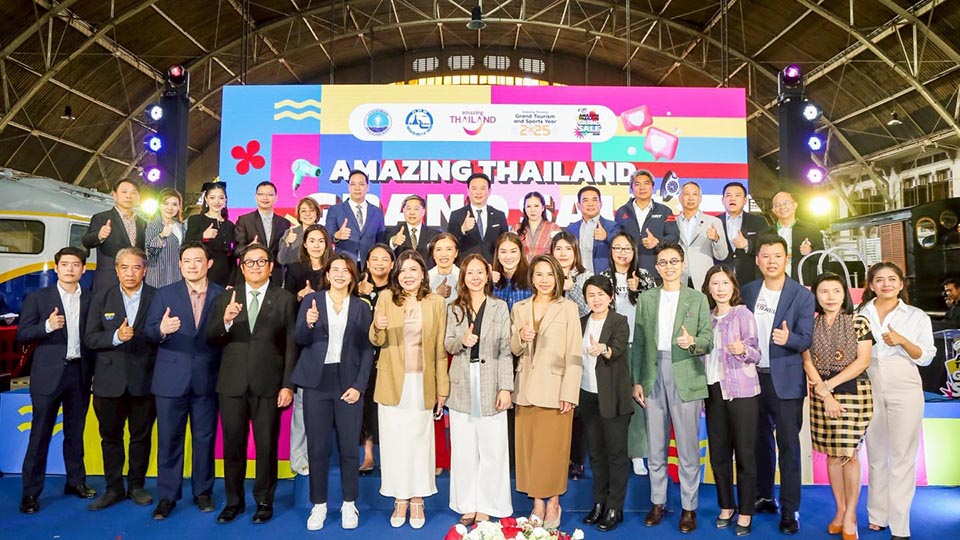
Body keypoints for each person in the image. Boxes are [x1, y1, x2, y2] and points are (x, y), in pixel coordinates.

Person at [206, 243, 298, 525]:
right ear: (242, 267)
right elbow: (211, 337)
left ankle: (264, 501)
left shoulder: (284, 298)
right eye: (250, 262)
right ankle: (233, 501)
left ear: (270, 267)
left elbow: (291, 345)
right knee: (233, 445)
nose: (255, 267)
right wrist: (226, 321)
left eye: (261, 262)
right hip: (232, 383)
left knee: (266, 446)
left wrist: (288, 385)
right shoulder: (226, 298)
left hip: (269, 384)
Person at [631, 242, 713, 533]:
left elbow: (708, 339)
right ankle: (658, 502)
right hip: (652, 375)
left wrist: (693, 342)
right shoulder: (647, 299)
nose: (669, 267)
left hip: (686, 374)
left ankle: (689, 507)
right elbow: (639, 342)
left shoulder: (697, 298)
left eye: (674, 261)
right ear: (657, 267)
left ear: (683, 264)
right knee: (656, 446)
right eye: (663, 262)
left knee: (688, 448)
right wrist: (637, 380)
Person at [292, 254, 374, 531]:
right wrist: (308, 322)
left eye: (345, 270)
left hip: (348, 382)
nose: (340, 274)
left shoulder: (361, 307)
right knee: (317, 447)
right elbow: (299, 338)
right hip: (316, 382)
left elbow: (367, 350)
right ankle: (319, 505)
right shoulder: (312, 301)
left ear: (352, 276)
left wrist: (359, 386)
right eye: (335, 269)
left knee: (349, 447)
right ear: (327, 274)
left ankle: (350, 504)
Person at [144, 241, 225, 520]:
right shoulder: (164, 294)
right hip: (170, 379)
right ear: (179, 265)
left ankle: (203, 492)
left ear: (208, 264)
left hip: (208, 378)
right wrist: (161, 329)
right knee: (169, 440)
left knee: (204, 439)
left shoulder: (222, 295)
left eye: (198, 260)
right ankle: (167, 496)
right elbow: (148, 331)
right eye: (187, 261)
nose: (192, 265)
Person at [740, 234, 815, 535]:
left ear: (787, 259)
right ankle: (764, 495)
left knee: (788, 445)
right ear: (758, 260)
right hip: (752, 377)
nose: (771, 261)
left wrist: (789, 339)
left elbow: (806, 338)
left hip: (785, 381)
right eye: (766, 256)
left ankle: (790, 508)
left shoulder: (802, 295)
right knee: (759, 441)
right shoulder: (748, 290)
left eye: (777, 256)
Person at [369, 250, 449, 529]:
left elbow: (440, 349)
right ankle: (399, 498)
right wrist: (377, 327)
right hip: (392, 382)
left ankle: (417, 498)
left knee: (419, 442)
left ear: (423, 273)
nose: (407, 275)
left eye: (413, 269)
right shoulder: (386, 298)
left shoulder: (436, 302)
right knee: (394, 443)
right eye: (402, 270)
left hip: (422, 382)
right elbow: (376, 340)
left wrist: (442, 389)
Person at [858, 262, 935, 540]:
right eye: (879, 280)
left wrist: (902, 340)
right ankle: (877, 515)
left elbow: (926, 357)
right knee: (876, 455)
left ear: (901, 284)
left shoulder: (916, 316)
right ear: (871, 285)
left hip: (905, 386)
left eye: (892, 279)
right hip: (870, 385)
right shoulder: (860, 314)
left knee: (903, 456)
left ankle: (900, 525)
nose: (886, 284)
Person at [17, 247, 97, 514]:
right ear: (56, 268)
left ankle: (75, 482)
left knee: (75, 434)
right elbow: (22, 334)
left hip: (80, 374)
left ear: (83, 269)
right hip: (47, 376)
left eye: (75, 265)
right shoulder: (38, 298)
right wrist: (47, 326)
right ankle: (30, 493)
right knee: (39, 435)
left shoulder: (92, 299)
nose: (70, 269)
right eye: (65, 264)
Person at [510, 254, 583, 530]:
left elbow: (574, 353)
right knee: (529, 450)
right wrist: (520, 338)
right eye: (539, 274)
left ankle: (553, 502)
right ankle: (537, 503)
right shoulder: (519, 308)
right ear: (532, 278)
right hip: (525, 388)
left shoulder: (568, 308)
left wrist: (570, 393)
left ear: (558, 278)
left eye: (550, 274)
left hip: (556, 390)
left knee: (553, 451)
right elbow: (512, 348)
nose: (544, 280)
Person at [83, 247, 158, 511]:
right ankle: (113, 488)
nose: (130, 273)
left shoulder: (157, 297)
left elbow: (160, 336)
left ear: (144, 270)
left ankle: (136, 486)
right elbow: (90, 338)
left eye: (136, 267)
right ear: (116, 271)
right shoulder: (101, 298)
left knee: (141, 437)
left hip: (144, 381)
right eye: (124, 267)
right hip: (108, 383)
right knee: (110, 438)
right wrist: (116, 337)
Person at [802, 272, 874, 540]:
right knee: (833, 455)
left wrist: (828, 387)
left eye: (836, 291)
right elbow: (807, 361)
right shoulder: (810, 325)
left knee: (848, 454)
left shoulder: (858, 322)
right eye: (824, 291)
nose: (830, 297)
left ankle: (851, 515)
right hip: (822, 395)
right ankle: (840, 511)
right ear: (816, 296)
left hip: (854, 392)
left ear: (845, 294)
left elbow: (863, 361)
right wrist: (825, 394)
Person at [444, 254, 514, 525]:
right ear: (463, 277)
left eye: (479, 272)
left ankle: (487, 504)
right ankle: (467, 504)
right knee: (463, 449)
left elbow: (506, 350)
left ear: (487, 276)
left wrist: (505, 388)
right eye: (469, 272)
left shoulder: (500, 307)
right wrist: (462, 340)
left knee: (493, 448)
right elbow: (448, 344)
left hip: (491, 382)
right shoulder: (454, 308)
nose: (475, 277)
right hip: (462, 382)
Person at [701, 265, 761, 536]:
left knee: (745, 454)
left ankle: (746, 511)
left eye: (725, 283)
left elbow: (757, 353)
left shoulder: (743, 314)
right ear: (708, 288)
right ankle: (726, 506)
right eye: (715, 283)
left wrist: (743, 349)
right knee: (719, 454)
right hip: (713, 393)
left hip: (742, 393)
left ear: (733, 287)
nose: (720, 288)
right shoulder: (706, 318)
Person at [597, 231, 655, 477]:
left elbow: (653, 308)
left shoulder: (644, 276)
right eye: (617, 248)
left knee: (637, 400)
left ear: (634, 252)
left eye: (627, 248)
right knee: (612, 402)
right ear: (610, 252)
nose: (622, 253)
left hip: (637, 344)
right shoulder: (603, 277)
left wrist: (639, 290)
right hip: (611, 346)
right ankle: (615, 451)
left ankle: (638, 453)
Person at [577, 275, 632, 532]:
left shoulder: (619, 321)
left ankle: (614, 507)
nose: (596, 299)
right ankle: (599, 503)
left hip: (613, 398)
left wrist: (603, 349)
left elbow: (617, 349)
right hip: (588, 396)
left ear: (611, 296)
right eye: (591, 295)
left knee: (616, 454)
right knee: (596, 453)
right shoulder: (581, 323)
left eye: (601, 294)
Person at [283, 224, 334, 477]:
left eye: (320, 241)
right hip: (304, 343)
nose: (316, 245)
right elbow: (284, 306)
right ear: (304, 244)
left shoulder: (334, 269)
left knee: (327, 407)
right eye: (311, 240)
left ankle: (322, 456)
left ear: (328, 244)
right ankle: (298, 458)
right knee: (302, 406)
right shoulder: (295, 270)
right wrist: (298, 297)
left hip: (332, 342)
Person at [357, 243, 395, 474]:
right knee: (365, 405)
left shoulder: (397, 291)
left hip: (390, 355)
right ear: (368, 263)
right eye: (375, 259)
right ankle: (368, 454)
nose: (379, 263)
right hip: (362, 355)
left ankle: (391, 454)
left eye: (385, 259)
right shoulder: (358, 288)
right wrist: (358, 292)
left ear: (392, 265)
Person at [82, 178, 147, 292]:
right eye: (124, 192)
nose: (129, 196)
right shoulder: (101, 217)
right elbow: (86, 241)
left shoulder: (143, 223)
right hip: (108, 281)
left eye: (133, 193)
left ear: (138, 198)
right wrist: (99, 236)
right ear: (115, 196)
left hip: (135, 283)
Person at [615, 169, 679, 278]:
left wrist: (657, 242)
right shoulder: (622, 212)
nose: (642, 187)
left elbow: (674, 237)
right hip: (628, 271)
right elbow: (616, 239)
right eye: (637, 184)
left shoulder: (664, 211)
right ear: (631, 188)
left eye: (646, 183)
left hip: (657, 272)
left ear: (652, 187)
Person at [234, 181, 291, 285]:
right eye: (261, 194)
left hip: (276, 276)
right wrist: (249, 247)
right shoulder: (244, 220)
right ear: (256, 197)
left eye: (270, 194)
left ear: (276, 198)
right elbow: (237, 250)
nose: (265, 198)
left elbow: (284, 252)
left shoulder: (284, 223)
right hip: (251, 274)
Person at [325, 170, 386, 262]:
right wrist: (337, 235)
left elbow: (381, 241)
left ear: (368, 187)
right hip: (345, 263)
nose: (357, 188)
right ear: (348, 187)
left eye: (361, 184)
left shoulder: (377, 212)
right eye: (353, 184)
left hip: (369, 263)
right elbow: (327, 236)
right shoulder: (335, 210)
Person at [676, 182, 728, 289]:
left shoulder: (714, 222)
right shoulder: (672, 222)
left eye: (695, 194)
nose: (691, 198)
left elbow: (722, 255)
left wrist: (716, 239)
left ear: (700, 198)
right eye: (686, 194)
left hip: (703, 279)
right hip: (679, 279)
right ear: (679, 198)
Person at [447, 172, 509, 261]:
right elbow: (449, 244)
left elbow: (505, 243)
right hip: (466, 265)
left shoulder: (499, 215)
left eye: (482, 188)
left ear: (489, 191)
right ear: (468, 191)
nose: (478, 192)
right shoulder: (456, 215)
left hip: (492, 266)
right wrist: (462, 230)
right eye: (474, 188)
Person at [719, 182, 771, 284]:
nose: (732, 199)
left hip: (751, 278)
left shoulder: (759, 222)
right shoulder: (714, 222)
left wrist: (747, 244)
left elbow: (767, 247)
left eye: (737, 195)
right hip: (722, 280)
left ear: (745, 200)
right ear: (723, 200)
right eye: (728, 195)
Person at [185, 181, 235, 287]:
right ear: (206, 200)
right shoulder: (196, 220)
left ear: (225, 200)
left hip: (224, 278)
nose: (217, 201)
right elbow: (186, 245)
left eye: (221, 198)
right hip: (202, 276)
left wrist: (231, 281)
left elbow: (232, 258)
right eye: (212, 198)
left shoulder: (230, 225)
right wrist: (203, 236)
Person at [770, 191, 824, 284]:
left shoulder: (811, 229)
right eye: (777, 205)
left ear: (795, 205)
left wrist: (810, 252)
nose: (782, 207)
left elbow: (823, 258)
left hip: (803, 283)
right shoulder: (767, 232)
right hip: (774, 283)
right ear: (773, 210)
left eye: (786, 203)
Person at [566, 186, 621, 274]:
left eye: (594, 200)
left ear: (601, 204)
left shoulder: (612, 226)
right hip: (576, 277)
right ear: (578, 205)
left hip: (602, 278)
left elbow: (621, 249)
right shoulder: (571, 229)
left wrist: (606, 237)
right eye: (585, 200)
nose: (590, 204)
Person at [145, 188, 185, 288]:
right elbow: (150, 255)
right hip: (158, 277)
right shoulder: (153, 225)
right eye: (166, 203)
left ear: (179, 207)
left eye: (174, 204)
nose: (170, 208)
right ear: (159, 205)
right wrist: (161, 236)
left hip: (176, 276)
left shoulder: (181, 227)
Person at [386, 195, 440, 265]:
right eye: (408, 209)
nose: (412, 213)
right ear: (403, 211)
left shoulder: (435, 235)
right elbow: (385, 253)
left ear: (423, 211)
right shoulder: (391, 232)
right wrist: (393, 242)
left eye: (416, 209)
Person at [551, 231, 593, 317]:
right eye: (558, 249)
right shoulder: (547, 276)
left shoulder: (586, 277)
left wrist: (572, 288)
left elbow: (590, 309)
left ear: (575, 252)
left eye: (568, 249)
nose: (563, 254)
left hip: (578, 323)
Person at [513, 191, 562, 260]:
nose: (532, 210)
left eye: (536, 206)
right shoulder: (516, 228)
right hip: (522, 266)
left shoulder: (553, 228)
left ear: (543, 208)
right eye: (528, 206)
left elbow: (559, 252)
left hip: (546, 266)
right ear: (524, 209)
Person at [492, 232, 532, 312]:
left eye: (513, 251)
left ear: (521, 253)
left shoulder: (531, 278)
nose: (508, 257)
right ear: (497, 255)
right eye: (503, 252)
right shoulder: (491, 281)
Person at [278, 197, 322, 266]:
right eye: (303, 211)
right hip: (295, 271)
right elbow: (282, 260)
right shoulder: (290, 232)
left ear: (317, 213)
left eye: (311, 210)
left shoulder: (323, 232)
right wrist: (287, 243)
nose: (308, 214)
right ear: (299, 215)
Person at [428, 232, 461, 306]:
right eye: (438, 249)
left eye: (449, 249)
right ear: (433, 254)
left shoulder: (464, 277)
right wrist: (436, 293)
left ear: (456, 253)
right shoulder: (425, 278)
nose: (443, 254)